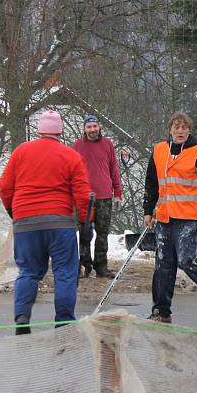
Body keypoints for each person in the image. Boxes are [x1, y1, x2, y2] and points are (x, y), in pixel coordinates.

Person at [0, 110, 92, 335]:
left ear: (40, 129)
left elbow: (4, 187)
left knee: (28, 271)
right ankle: (63, 322)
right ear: (60, 131)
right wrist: (85, 221)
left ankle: (22, 315)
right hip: (60, 222)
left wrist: (15, 212)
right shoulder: (71, 156)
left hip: (25, 221)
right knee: (65, 272)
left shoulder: (21, 151)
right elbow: (83, 193)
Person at [143, 111, 197, 331]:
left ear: (189, 130)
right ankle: (161, 312)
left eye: (184, 127)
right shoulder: (159, 151)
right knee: (163, 264)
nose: (180, 131)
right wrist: (148, 211)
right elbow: (151, 184)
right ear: (170, 129)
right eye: (176, 126)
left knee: (187, 261)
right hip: (164, 216)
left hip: (188, 217)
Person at [72, 114, 123, 278]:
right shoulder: (77, 146)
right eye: (89, 127)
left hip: (104, 196)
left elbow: (114, 168)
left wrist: (118, 192)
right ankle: (84, 265)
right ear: (84, 129)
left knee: (103, 233)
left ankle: (101, 266)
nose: (92, 130)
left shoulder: (107, 144)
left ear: (99, 127)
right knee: (84, 232)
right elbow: (70, 171)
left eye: (95, 126)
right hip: (84, 197)